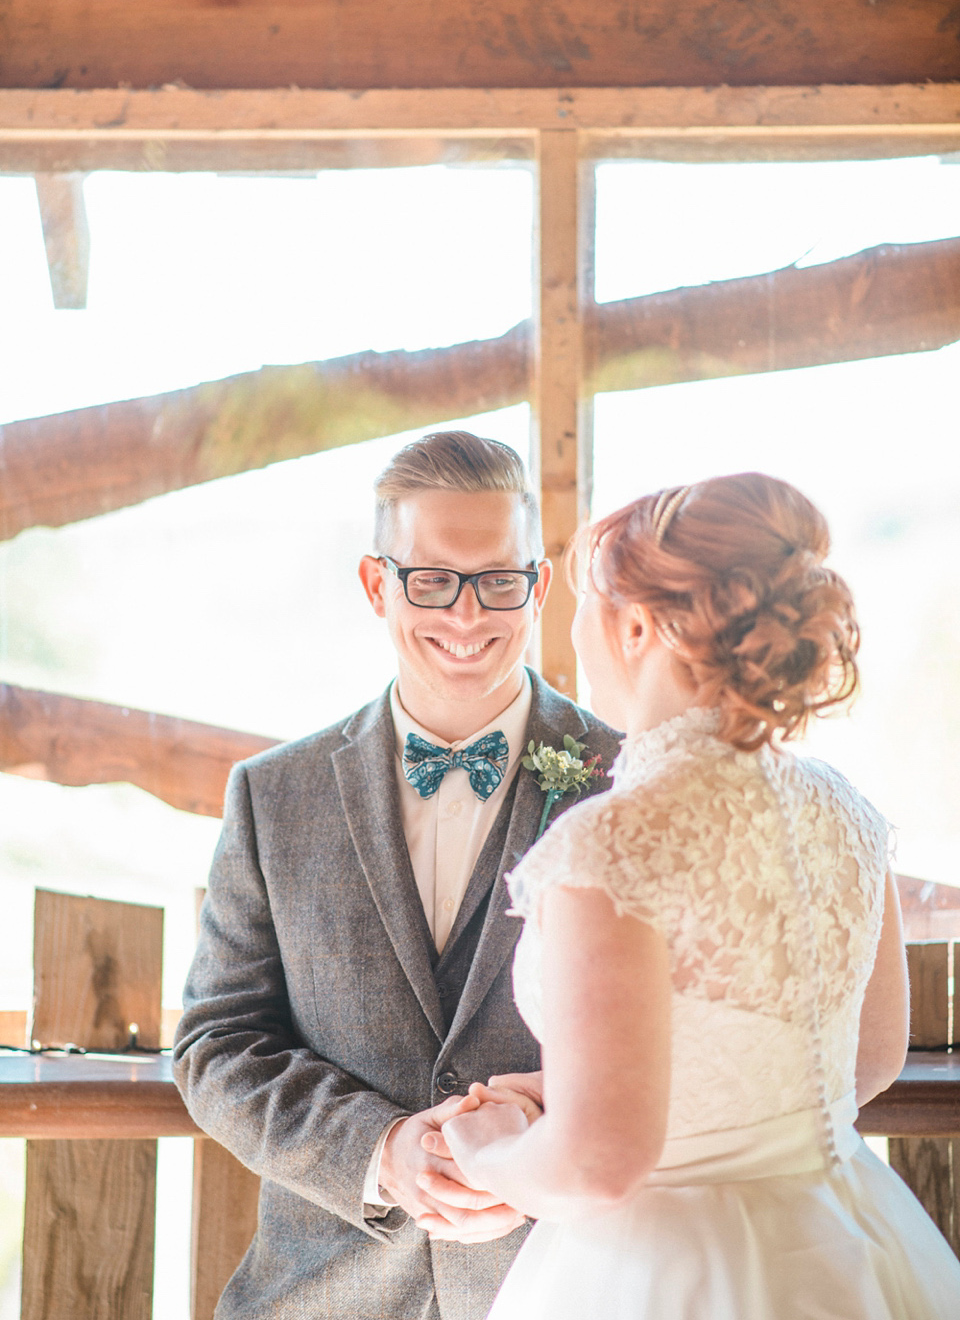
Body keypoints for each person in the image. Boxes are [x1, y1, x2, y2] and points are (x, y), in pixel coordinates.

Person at [430, 472, 960, 1318]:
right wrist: (589, 1083)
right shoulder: (845, 811)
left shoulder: (614, 845)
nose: (574, 639)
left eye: (585, 608)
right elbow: (867, 1060)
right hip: (847, 1233)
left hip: (664, 1272)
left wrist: (490, 1148)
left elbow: (597, 1164)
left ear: (638, 625)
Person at [173, 431, 621, 1320]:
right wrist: (380, 1151)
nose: (467, 616)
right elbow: (216, 1044)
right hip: (323, 1294)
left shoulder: (632, 778)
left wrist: (538, 1149)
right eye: (432, 580)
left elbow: (694, 1046)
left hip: (575, 1285)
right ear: (379, 583)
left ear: (537, 581)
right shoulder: (275, 796)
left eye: (499, 580)